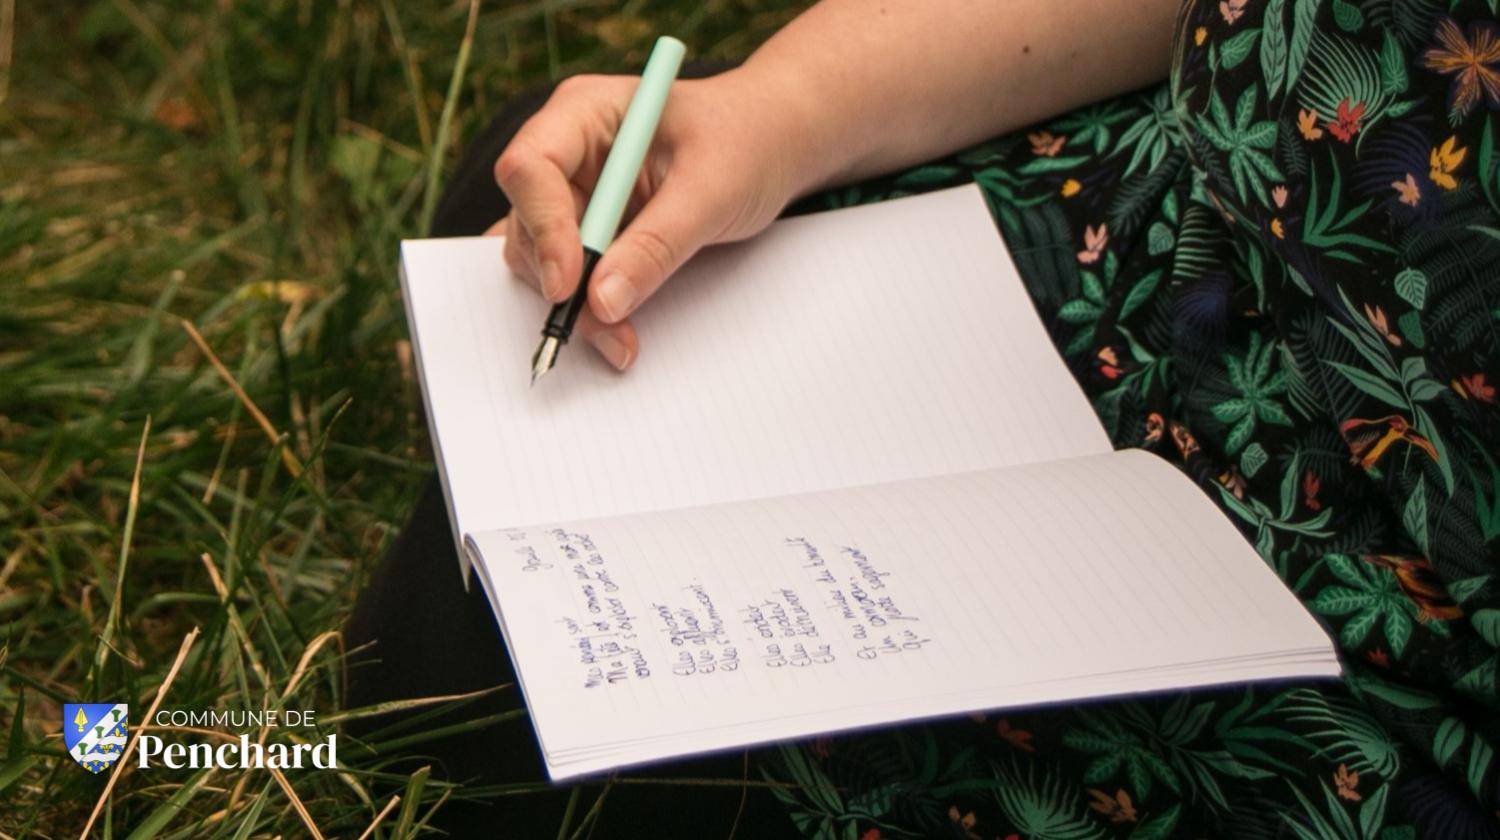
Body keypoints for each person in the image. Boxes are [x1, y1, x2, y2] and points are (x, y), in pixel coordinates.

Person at [348, 0, 1500, 835]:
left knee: (451, 684)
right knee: (533, 206)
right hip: (1176, 224)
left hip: (1378, 573)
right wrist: (779, 109)